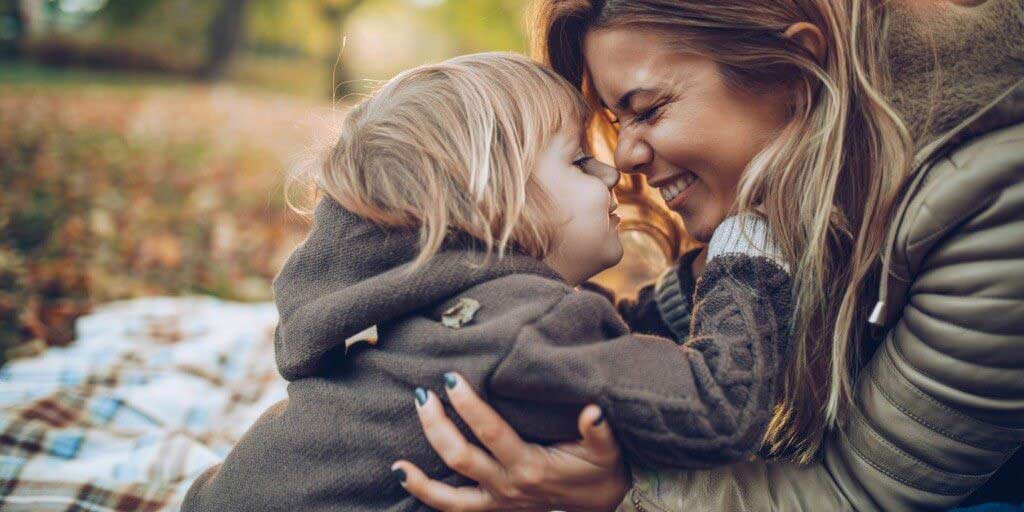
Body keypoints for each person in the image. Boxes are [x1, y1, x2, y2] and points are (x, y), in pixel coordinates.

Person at [395, 0, 1024, 510]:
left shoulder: (994, 196)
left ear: (791, 67)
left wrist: (625, 492)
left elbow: (860, 495)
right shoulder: (792, 192)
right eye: (617, 123)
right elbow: (658, 324)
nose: (624, 160)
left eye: (647, 110)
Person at [181, 52, 800, 512]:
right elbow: (718, 408)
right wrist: (744, 256)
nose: (611, 174)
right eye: (578, 160)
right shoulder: (524, 326)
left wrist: (686, 292)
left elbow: (608, 354)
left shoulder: (458, 316)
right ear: (495, 207)